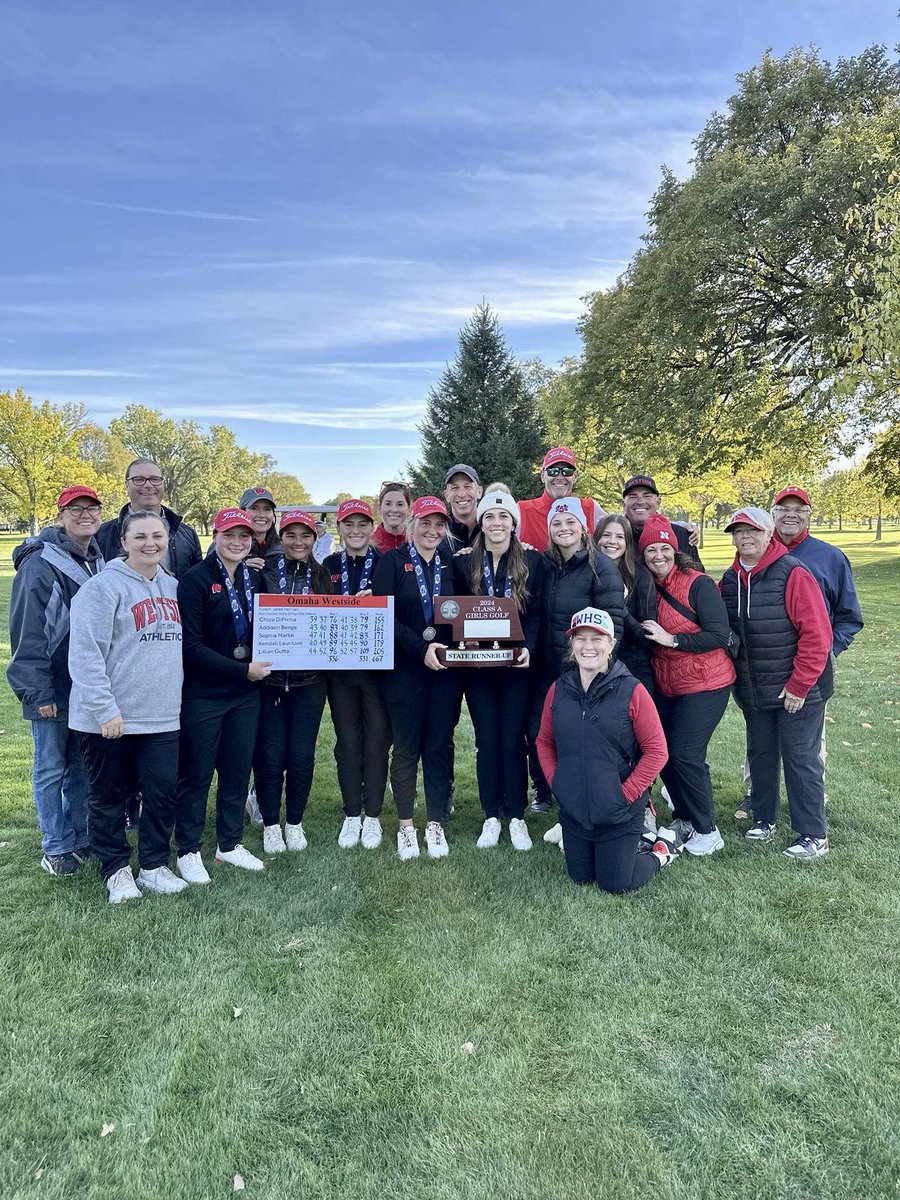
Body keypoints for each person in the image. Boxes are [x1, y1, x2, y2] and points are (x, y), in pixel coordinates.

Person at [67, 511, 185, 903]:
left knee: (162, 793)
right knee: (109, 797)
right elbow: (85, 655)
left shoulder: (172, 586)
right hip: (109, 718)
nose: (150, 543)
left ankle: (152, 865)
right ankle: (115, 869)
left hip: (162, 714)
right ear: (124, 541)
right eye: (140, 536)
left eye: (157, 536)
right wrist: (104, 710)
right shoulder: (101, 589)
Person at [736, 485, 863, 818]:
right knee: (761, 742)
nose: (790, 514)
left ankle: (807, 803)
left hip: (809, 666)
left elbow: (848, 616)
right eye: (783, 508)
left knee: (803, 747)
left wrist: (827, 651)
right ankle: (760, 798)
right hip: (764, 672)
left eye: (799, 509)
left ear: (809, 514)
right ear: (772, 516)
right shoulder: (754, 557)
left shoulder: (829, 557)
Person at [536, 608, 678, 892]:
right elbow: (544, 741)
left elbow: (657, 751)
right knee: (581, 877)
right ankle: (632, 843)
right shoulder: (558, 689)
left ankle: (661, 851)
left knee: (614, 883)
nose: (588, 647)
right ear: (572, 644)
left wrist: (624, 794)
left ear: (611, 644)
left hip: (619, 812)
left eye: (597, 639)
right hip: (575, 809)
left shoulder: (632, 690)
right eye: (580, 638)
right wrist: (557, 783)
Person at [720, 508, 834, 858]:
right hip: (755, 688)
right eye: (738, 532)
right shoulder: (729, 580)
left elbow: (817, 634)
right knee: (762, 754)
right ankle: (763, 818)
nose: (745, 537)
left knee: (801, 758)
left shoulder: (793, 573)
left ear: (769, 534)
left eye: (752, 530)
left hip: (799, 688)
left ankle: (813, 834)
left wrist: (799, 685)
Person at [7, 485, 105, 876]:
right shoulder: (40, 563)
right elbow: (27, 632)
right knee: (50, 766)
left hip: (85, 685)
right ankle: (55, 845)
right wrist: (37, 691)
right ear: (61, 514)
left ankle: (79, 836)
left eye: (92, 508)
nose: (85, 515)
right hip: (52, 685)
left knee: (81, 767)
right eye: (75, 508)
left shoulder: (98, 559)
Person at [175, 509, 271, 878]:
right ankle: (188, 850)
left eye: (244, 537)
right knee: (197, 776)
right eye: (229, 535)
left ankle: (229, 844)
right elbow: (191, 646)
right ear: (215, 536)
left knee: (235, 772)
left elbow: (275, 624)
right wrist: (242, 669)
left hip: (246, 693)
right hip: (205, 693)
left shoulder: (255, 576)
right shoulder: (195, 580)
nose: (237, 542)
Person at [371, 496, 463, 860]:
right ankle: (407, 825)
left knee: (438, 746)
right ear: (412, 524)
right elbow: (385, 615)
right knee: (407, 747)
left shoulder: (450, 563)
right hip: (404, 669)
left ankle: (435, 822)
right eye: (426, 523)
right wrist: (419, 648)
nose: (433, 530)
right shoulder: (392, 562)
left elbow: (463, 612)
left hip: (445, 671)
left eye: (439, 524)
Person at [452, 485, 544, 850]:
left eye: (503, 516)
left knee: (513, 740)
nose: (496, 522)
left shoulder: (532, 561)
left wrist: (528, 648)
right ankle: (492, 814)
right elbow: (454, 612)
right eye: (489, 516)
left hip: (515, 665)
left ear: (513, 523)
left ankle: (516, 814)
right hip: (478, 669)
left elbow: (536, 612)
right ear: (481, 521)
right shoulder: (464, 562)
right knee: (486, 741)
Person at [638, 514, 735, 855]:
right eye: (651, 549)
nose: (658, 555)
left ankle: (708, 830)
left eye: (665, 548)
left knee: (685, 754)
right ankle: (685, 816)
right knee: (661, 755)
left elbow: (718, 635)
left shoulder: (698, 584)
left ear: (675, 550)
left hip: (706, 683)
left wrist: (672, 639)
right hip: (668, 685)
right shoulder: (646, 586)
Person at [529, 498, 625, 814]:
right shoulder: (544, 564)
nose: (564, 528)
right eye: (556, 524)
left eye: (570, 522)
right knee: (539, 732)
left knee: (580, 737)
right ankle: (543, 791)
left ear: (583, 528)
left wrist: (596, 668)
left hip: (582, 669)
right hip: (545, 667)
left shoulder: (602, 567)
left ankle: (581, 797)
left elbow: (614, 621)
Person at [255, 509, 332, 853]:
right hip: (270, 681)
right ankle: (271, 823)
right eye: (291, 535)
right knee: (270, 756)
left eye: (305, 536)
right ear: (280, 536)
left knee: (301, 756)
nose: (298, 542)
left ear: (315, 539)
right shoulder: (263, 571)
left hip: (310, 682)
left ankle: (295, 822)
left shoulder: (325, 575)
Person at [323, 500, 391, 850]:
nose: (355, 531)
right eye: (348, 524)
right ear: (339, 526)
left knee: (377, 742)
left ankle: (374, 815)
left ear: (371, 526)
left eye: (362, 524)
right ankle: (352, 815)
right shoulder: (329, 565)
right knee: (347, 742)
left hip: (379, 672)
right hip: (339, 671)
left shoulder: (386, 563)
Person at [96, 458, 202, 579]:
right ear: (126, 485)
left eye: (155, 479)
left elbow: (198, 583)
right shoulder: (102, 535)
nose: (148, 485)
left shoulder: (187, 535)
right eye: (139, 480)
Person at [594, 512, 656, 692]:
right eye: (606, 535)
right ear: (596, 538)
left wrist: (619, 606)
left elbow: (646, 638)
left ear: (627, 543)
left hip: (632, 668)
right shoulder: (586, 572)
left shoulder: (640, 576)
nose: (612, 541)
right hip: (592, 665)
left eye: (620, 536)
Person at [518, 448, 605, 552]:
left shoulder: (590, 508)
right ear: (542, 476)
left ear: (575, 476)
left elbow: (618, 539)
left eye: (567, 471)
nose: (559, 477)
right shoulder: (523, 511)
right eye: (552, 471)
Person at [622, 475, 703, 569]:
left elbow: (698, 577)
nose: (640, 501)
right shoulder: (614, 539)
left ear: (658, 502)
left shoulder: (683, 536)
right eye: (633, 497)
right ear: (623, 504)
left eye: (647, 496)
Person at [239, 486, 282, 569]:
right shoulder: (225, 545)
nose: (261, 515)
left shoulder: (283, 548)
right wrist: (238, 568)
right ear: (242, 512)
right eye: (254, 508)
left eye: (267, 509)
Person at [443, 464, 483, 550]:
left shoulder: (491, 529)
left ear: (479, 492)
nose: (462, 494)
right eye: (454, 488)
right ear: (446, 495)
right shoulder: (439, 533)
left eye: (468, 487)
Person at [371, 482, 411, 552]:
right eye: (388, 504)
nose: (394, 510)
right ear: (379, 508)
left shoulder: (417, 542)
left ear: (409, 509)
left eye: (400, 504)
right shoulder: (370, 544)